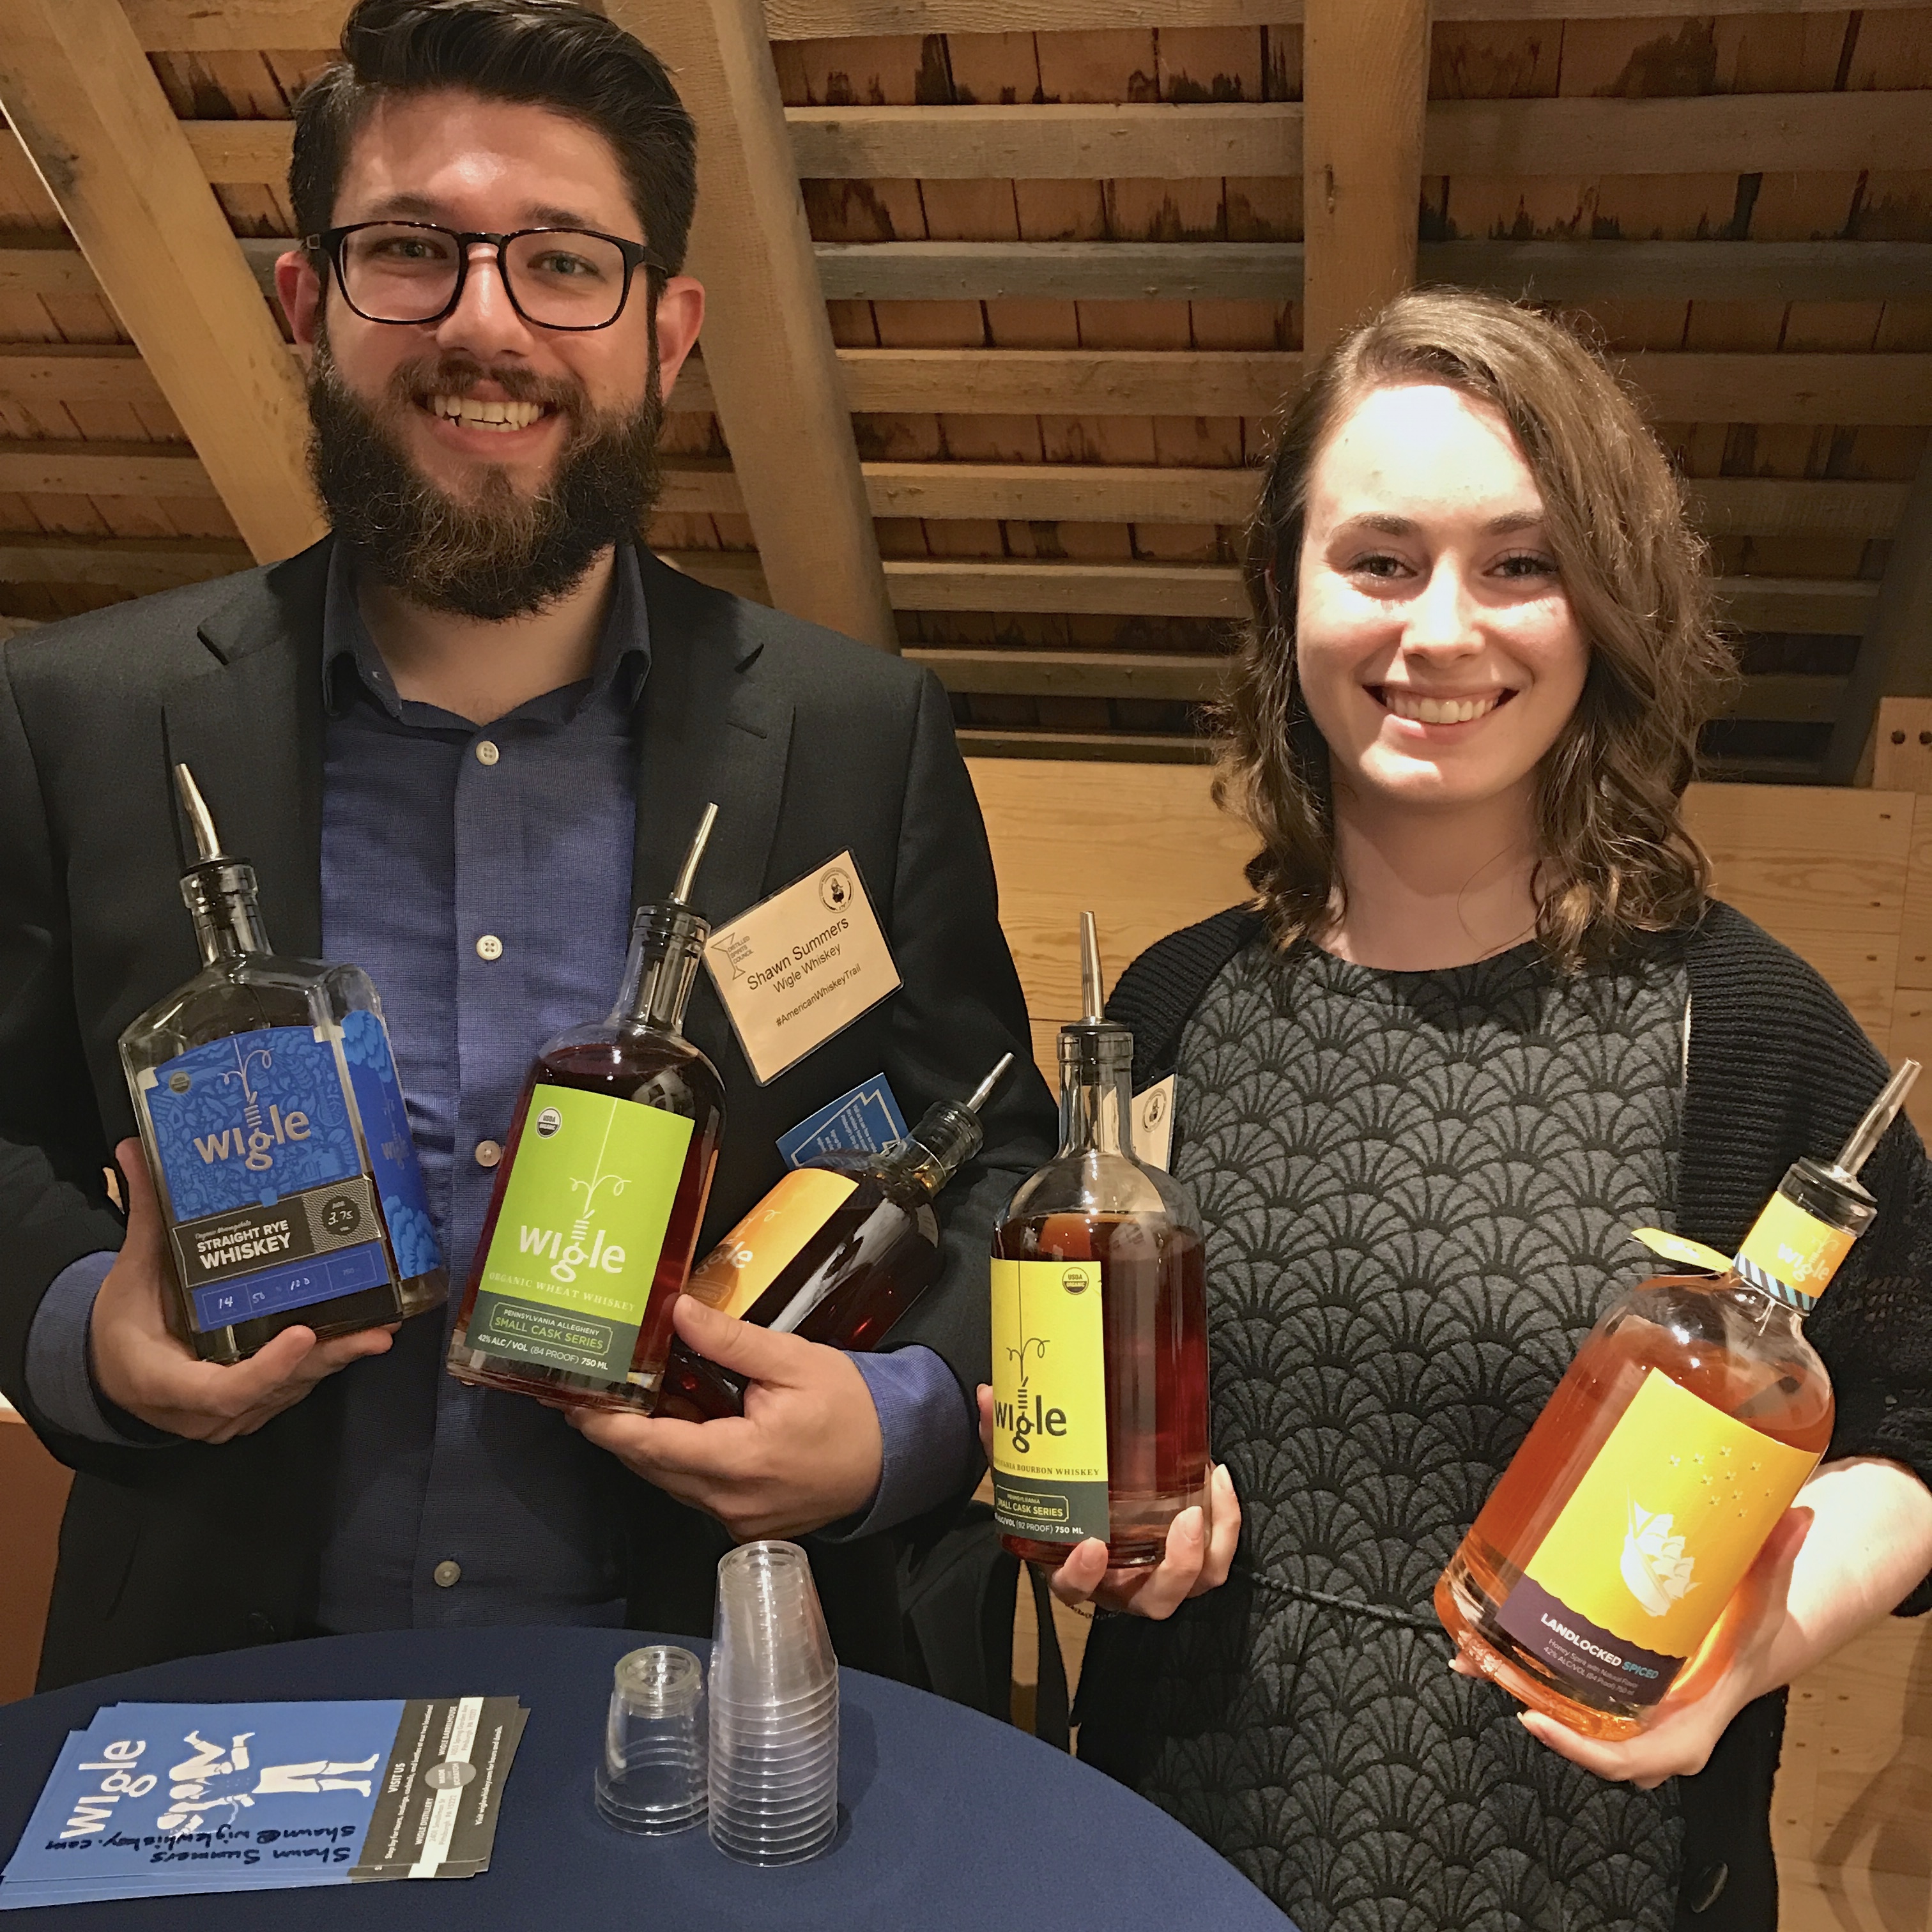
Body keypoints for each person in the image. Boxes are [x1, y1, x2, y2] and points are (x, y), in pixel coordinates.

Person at [0, 0, 1054, 1689]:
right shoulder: (77, 720)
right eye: (410, 251)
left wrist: (899, 1422)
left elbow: (988, 1160)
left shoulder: (864, 736)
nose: (484, 325)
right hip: (218, 1707)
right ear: (307, 302)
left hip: (726, 1710)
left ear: (666, 330)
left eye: (565, 264)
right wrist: (87, 1333)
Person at [1025, 289, 1932, 1931]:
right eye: (1381, 561)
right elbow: (1105, 1384)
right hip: (1179, 1843)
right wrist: (1119, 1520)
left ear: (1607, 605)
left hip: (1586, 1863)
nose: (1442, 631)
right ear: (1286, 594)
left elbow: (1915, 1436)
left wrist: (1743, 1657)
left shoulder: (1744, 1027)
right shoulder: (1172, 1004)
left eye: (1520, 565)